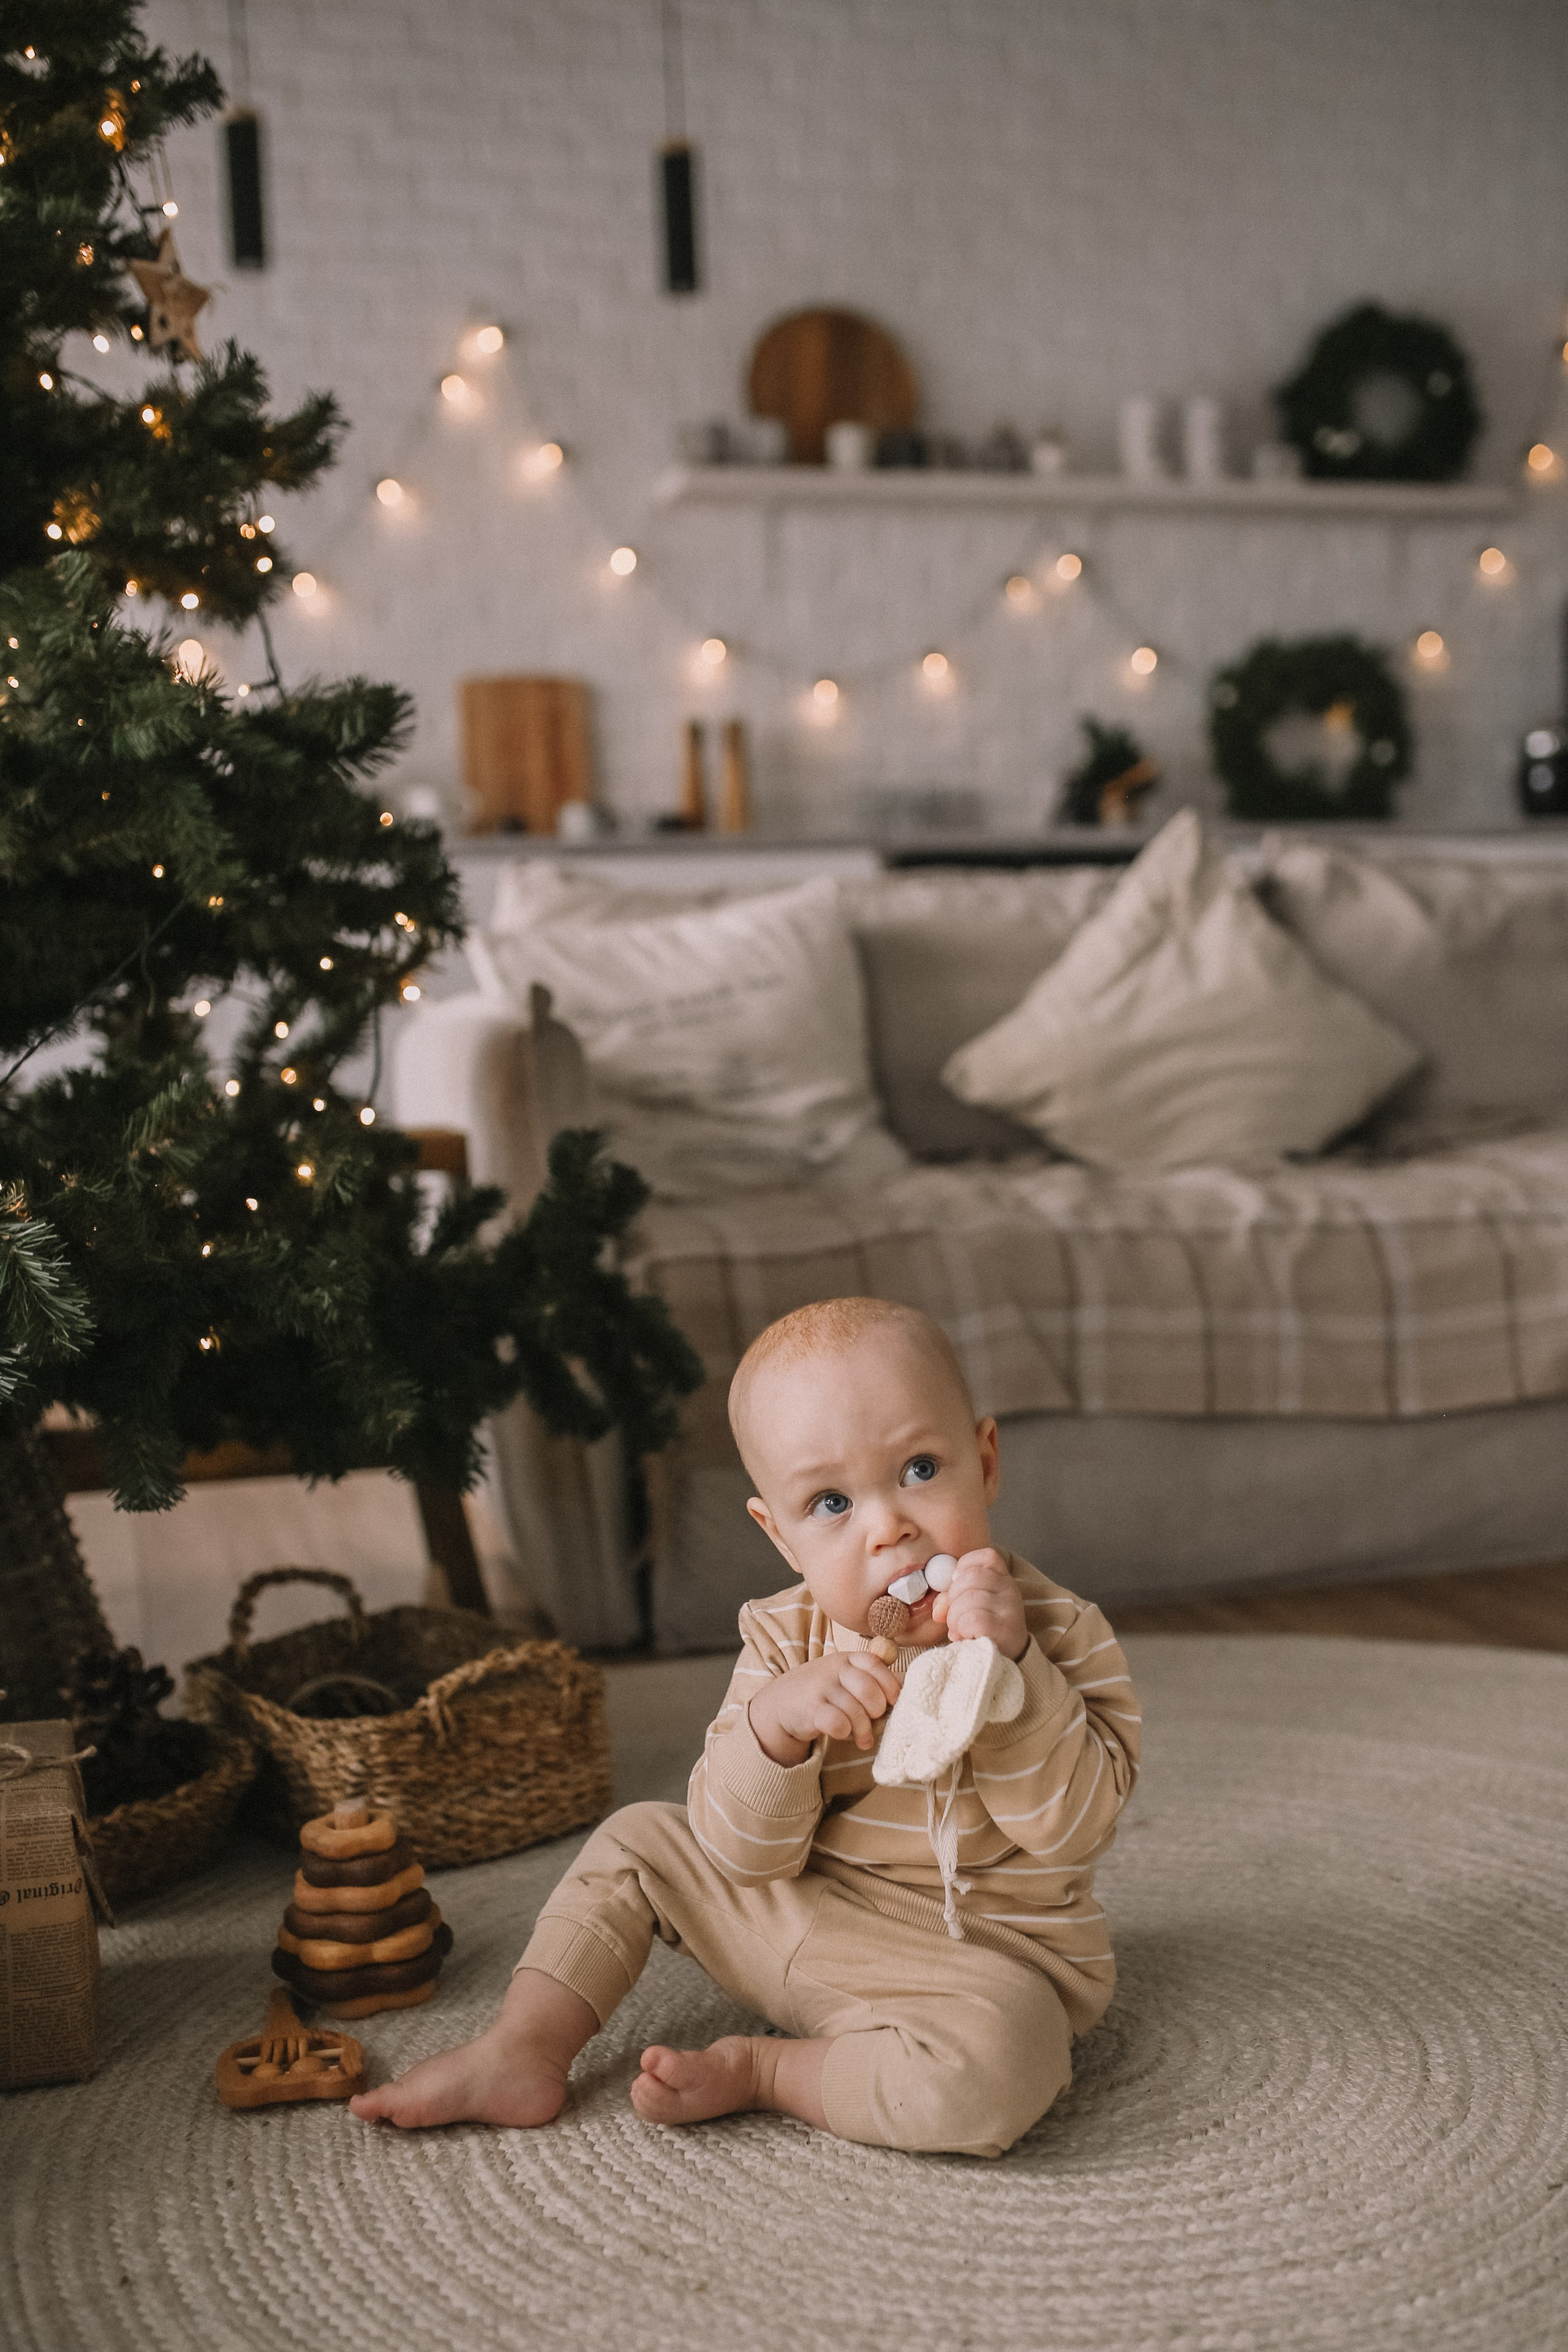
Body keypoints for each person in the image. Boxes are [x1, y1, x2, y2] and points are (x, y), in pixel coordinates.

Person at [352, 1296, 1140, 2157]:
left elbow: (1071, 1830)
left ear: (984, 1464)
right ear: (783, 1538)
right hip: (796, 1911)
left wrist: (1012, 1671)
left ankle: (769, 2072)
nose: (890, 1528)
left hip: (977, 1966)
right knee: (638, 1840)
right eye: (833, 1502)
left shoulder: (1059, 1633)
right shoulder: (782, 1638)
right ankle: (522, 2049)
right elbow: (742, 1859)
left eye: (919, 1469)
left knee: (1006, 2064)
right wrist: (773, 1734)